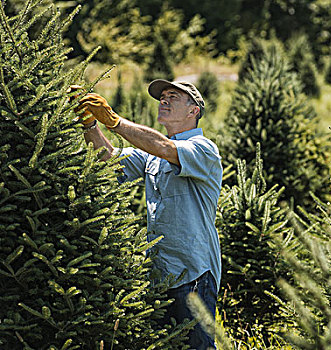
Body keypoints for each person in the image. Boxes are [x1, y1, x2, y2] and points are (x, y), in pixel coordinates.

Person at [73, 80, 222, 350]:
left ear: (194, 110)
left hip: (194, 273)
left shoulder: (203, 149)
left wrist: (115, 121)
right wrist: (90, 125)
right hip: (160, 275)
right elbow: (108, 158)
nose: (163, 101)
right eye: (162, 97)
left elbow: (165, 148)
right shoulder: (150, 155)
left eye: (173, 97)